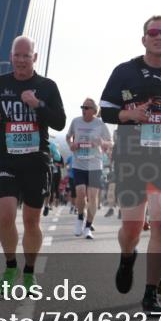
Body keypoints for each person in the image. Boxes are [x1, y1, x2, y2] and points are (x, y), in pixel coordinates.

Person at [101, 15, 161, 314]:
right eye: (153, 32)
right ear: (144, 38)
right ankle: (127, 256)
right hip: (131, 158)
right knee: (132, 228)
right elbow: (106, 110)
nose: (159, 37)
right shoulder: (125, 71)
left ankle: (151, 293)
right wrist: (129, 115)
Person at [0, 36, 66, 293]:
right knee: (5, 215)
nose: (21, 60)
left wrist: (38, 104)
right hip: (7, 159)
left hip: (36, 161)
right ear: (11, 56)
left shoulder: (47, 86)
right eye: (17, 55)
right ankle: (10, 266)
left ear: (34, 58)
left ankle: (29, 271)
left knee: (31, 220)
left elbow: (59, 122)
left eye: (26, 56)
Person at [67, 97, 112, 239]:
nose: (83, 110)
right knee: (80, 193)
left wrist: (102, 142)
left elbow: (110, 143)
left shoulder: (100, 124)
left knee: (93, 196)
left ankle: (88, 227)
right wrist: (71, 145)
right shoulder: (76, 121)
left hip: (94, 165)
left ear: (94, 111)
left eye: (86, 108)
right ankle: (80, 218)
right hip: (79, 163)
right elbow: (68, 137)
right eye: (82, 107)